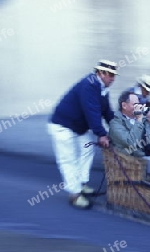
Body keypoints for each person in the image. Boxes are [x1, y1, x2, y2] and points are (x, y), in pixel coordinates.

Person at [47, 59, 118, 209]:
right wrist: (102, 134)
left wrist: (118, 129)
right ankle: (74, 195)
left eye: (114, 75)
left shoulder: (102, 88)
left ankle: (81, 183)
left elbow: (106, 111)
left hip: (78, 127)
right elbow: (91, 111)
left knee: (87, 149)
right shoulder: (89, 84)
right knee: (68, 159)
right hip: (62, 126)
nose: (113, 78)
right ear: (100, 73)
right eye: (110, 75)